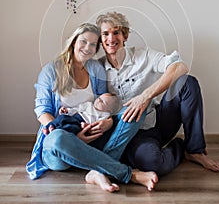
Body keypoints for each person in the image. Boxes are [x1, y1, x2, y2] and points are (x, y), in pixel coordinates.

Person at [26, 23, 158, 192]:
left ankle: (96, 171)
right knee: (57, 138)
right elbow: (42, 111)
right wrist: (75, 138)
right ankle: (127, 174)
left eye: (93, 44)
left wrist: (109, 122)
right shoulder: (51, 70)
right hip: (62, 142)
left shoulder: (96, 69)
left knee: (137, 108)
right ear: (74, 42)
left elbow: (105, 105)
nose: (87, 48)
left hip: (94, 135)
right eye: (83, 41)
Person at [96, 12, 219, 179]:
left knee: (187, 82)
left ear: (124, 35)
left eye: (116, 32)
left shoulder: (143, 55)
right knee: (152, 162)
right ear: (100, 39)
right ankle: (180, 149)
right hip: (131, 134)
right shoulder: (96, 69)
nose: (111, 38)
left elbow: (180, 67)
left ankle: (195, 150)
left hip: (158, 120)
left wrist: (145, 96)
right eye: (105, 34)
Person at [44, 92, 121, 135]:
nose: (98, 100)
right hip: (76, 117)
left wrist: (88, 126)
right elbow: (77, 109)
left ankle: (56, 131)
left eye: (103, 102)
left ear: (109, 110)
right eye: (99, 98)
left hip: (82, 125)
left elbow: (97, 125)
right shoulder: (89, 105)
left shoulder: (105, 115)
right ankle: (48, 127)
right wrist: (67, 111)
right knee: (62, 118)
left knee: (72, 128)